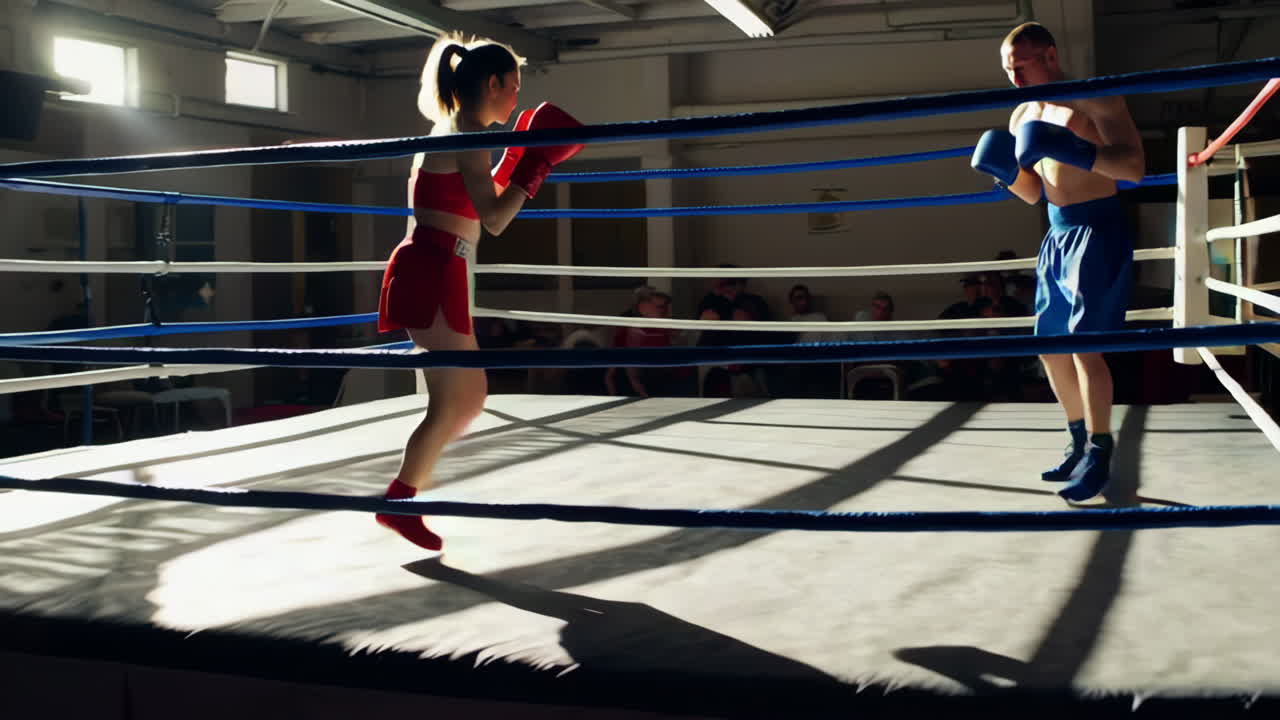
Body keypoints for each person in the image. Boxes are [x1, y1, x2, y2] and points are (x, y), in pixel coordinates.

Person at [375, 34, 585, 549]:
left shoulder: (455, 130)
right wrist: (535, 166)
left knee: (467, 397)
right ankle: (398, 502)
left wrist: (517, 157)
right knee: (454, 402)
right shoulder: (465, 134)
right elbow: (493, 218)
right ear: (492, 84)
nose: (516, 101)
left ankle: (403, 496)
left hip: (440, 267)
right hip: (435, 268)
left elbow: (477, 197)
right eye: (513, 88)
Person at [970, 22, 1144, 501]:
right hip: (1058, 232)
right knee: (1049, 346)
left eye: (1022, 67)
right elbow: (1033, 193)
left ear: (1049, 55)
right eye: (1009, 71)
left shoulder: (1096, 99)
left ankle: (1101, 452)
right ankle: (1076, 441)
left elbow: (1133, 168)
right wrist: (1004, 174)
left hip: (1099, 228)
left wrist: (1073, 149)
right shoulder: (1021, 113)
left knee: (1085, 346)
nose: (1016, 80)